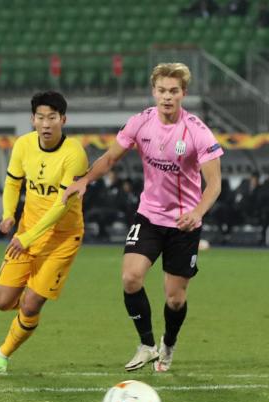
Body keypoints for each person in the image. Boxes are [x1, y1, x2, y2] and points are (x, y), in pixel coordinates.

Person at [62, 62, 224, 373]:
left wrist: (197, 212)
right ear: (153, 92)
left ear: (183, 94)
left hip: (183, 224)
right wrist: (85, 180)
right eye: (161, 90)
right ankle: (147, 344)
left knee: (175, 300)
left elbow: (214, 183)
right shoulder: (141, 123)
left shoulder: (197, 132)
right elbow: (110, 158)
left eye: (173, 91)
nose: (166, 97)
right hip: (149, 216)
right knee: (130, 277)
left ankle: (169, 343)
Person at [0, 91, 89, 374]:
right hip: (26, 232)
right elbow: (12, 184)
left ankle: (3, 353)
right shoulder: (23, 145)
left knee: (30, 304)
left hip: (62, 238)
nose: (46, 124)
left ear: (63, 120)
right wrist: (8, 215)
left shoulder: (75, 154)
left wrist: (26, 238)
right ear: (32, 120)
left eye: (52, 118)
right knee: (3, 301)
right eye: (41, 118)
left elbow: (60, 206)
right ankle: (29, 310)